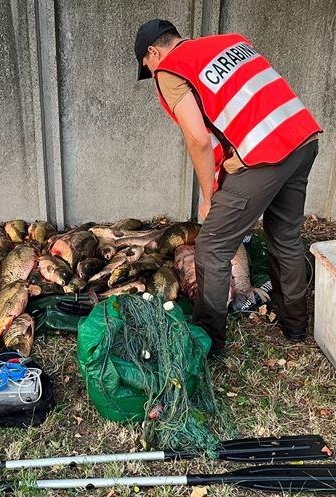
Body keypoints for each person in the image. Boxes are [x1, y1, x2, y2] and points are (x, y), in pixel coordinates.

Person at [134, 19, 321, 355]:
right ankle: (295, 329)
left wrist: (208, 196)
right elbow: (243, 109)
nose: (152, 76)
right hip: (301, 139)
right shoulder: (229, 42)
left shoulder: (171, 69)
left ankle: (210, 344)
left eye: (147, 68)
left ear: (153, 51)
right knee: (286, 237)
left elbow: (198, 138)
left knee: (212, 248)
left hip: (264, 157)